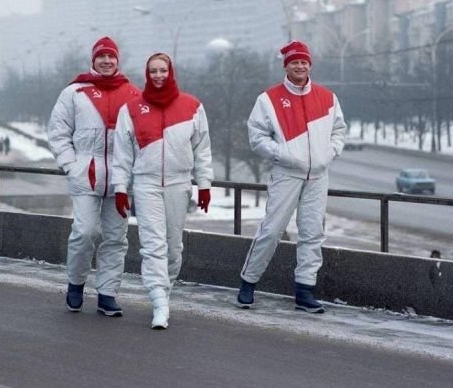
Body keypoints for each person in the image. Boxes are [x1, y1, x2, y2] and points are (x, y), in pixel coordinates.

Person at [237, 40, 345, 314]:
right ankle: (248, 283)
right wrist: (282, 154)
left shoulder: (327, 97)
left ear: (310, 64)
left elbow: (339, 130)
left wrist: (329, 152)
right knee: (271, 230)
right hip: (286, 173)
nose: (300, 66)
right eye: (294, 62)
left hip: (318, 176)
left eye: (304, 62)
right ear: (286, 65)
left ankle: (305, 290)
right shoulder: (269, 99)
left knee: (312, 233)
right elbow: (257, 136)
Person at [112, 53, 213, 329]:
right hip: (146, 183)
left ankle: (164, 292)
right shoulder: (131, 109)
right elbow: (121, 154)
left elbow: (202, 149)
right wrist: (121, 187)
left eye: (162, 70)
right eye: (153, 71)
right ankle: (159, 301)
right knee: (152, 246)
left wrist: (204, 184)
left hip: (179, 183)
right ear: (147, 74)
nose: (158, 75)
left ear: (171, 72)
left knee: (173, 248)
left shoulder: (192, 106)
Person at [48, 36, 140, 316]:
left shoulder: (134, 94)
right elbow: (58, 131)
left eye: (111, 57)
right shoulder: (74, 92)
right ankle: (75, 284)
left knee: (116, 237)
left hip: (121, 179)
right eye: (102, 56)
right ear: (94, 60)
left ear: (117, 60)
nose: (107, 61)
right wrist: (70, 164)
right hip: (85, 175)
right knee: (85, 231)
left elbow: (141, 138)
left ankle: (107, 293)